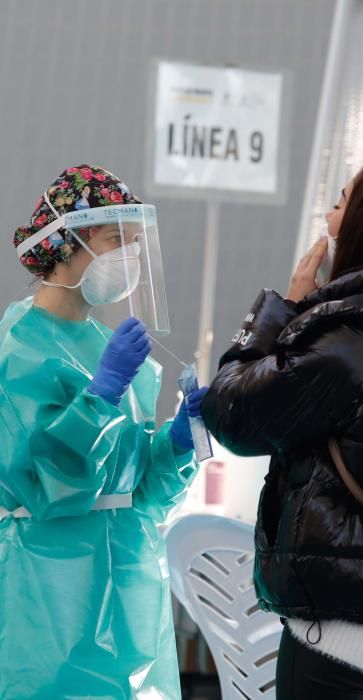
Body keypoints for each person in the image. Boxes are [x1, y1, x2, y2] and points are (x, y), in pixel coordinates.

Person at [201, 151, 363, 700]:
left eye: (342, 202)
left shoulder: (346, 345)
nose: (328, 216)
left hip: (340, 633)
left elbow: (231, 414)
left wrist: (282, 308)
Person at [0, 165, 206, 699]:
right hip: (51, 599)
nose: (128, 260)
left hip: (132, 595)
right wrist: (100, 396)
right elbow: (45, 487)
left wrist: (179, 444)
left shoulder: (114, 349)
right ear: (65, 243)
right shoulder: (19, 352)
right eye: (117, 241)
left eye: (135, 244)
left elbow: (141, 498)